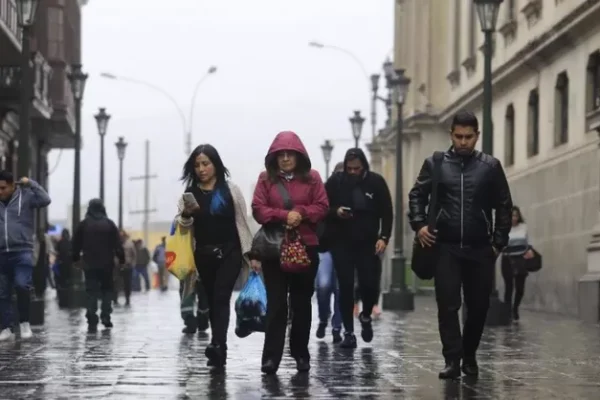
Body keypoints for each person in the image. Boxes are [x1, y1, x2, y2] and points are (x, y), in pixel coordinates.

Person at [408, 111, 513, 379]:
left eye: (469, 137)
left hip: (480, 248)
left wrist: (498, 243)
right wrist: (419, 225)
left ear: (477, 136)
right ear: (451, 135)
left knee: (478, 307)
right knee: (448, 304)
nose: (463, 142)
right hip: (446, 246)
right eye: (458, 136)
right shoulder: (436, 163)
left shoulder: (490, 167)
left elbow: (504, 205)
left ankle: (469, 354)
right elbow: (417, 195)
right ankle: (452, 359)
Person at [252, 131, 328, 374]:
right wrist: (285, 216)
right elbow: (258, 209)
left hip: (305, 247)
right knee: (276, 302)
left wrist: (302, 214)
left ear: (299, 156)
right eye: (280, 155)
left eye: (289, 154)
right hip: (275, 248)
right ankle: (271, 357)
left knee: (301, 302)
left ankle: (300, 354)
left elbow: (322, 206)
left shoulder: (313, 178)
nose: (285, 158)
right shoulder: (265, 180)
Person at [176, 144, 255, 368]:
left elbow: (242, 222)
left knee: (221, 296)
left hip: (230, 251)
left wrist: (251, 253)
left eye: (206, 164)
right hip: (203, 254)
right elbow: (182, 228)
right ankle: (217, 343)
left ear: (216, 165)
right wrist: (186, 215)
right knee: (211, 299)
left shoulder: (231, 190)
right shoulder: (189, 195)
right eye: (197, 165)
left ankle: (219, 345)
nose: (201, 169)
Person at [325, 148, 393, 349]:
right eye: (349, 168)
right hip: (342, 243)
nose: (353, 172)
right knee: (345, 287)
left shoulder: (376, 182)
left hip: (369, 243)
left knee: (370, 284)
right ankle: (349, 332)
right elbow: (321, 208)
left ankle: (365, 315)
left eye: (357, 168)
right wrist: (336, 211)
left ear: (364, 166)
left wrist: (384, 237)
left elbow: (387, 212)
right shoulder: (336, 183)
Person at [0, 172, 51, 341]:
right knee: (3, 292)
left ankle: (24, 323)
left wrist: (31, 183)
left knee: (22, 285)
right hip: (1, 252)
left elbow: (45, 199)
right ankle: (7, 328)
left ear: (12, 186)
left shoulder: (26, 197)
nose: (0, 191)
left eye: (3, 188)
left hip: (22, 251)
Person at [72, 199, 125, 333]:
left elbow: (75, 244)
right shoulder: (109, 224)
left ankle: (92, 317)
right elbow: (118, 245)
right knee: (107, 290)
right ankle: (106, 316)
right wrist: (122, 260)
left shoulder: (84, 225)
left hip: (90, 264)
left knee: (91, 291)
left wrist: (76, 259)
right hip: (107, 264)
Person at [315, 161, 344, 343]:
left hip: (345, 249)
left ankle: (337, 327)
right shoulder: (324, 193)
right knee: (324, 285)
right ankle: (323, 318)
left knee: (341, 289)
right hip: (325, 246)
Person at [501, 206, 534, 322]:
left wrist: (530, 250)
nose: (514, 218)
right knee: (509, 287)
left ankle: (515, 308)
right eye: (512, 215)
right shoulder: (504, 228)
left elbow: (528, 241)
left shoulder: (523, 227)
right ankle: (507, 312)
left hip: (521, 259)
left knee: (520, 288)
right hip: (507, 259)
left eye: (516, 215)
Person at [117, 230, 136, 306]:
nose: (121, 237)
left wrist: (132, 264)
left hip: (127, 266)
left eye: (122, 236)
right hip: (118, 266)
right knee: (116, 283)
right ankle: (115, 299)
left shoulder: (130, 244)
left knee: (127, 283)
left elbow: (134, 255)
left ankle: (127, 299)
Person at [55, 229, 72, 308]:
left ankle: (62, 298)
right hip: (67, 265)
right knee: (67, 282)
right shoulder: (70, 243)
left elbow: (57, 252)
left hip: (62, 264)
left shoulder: (60, 243)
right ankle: (66, 299)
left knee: (61, 282)